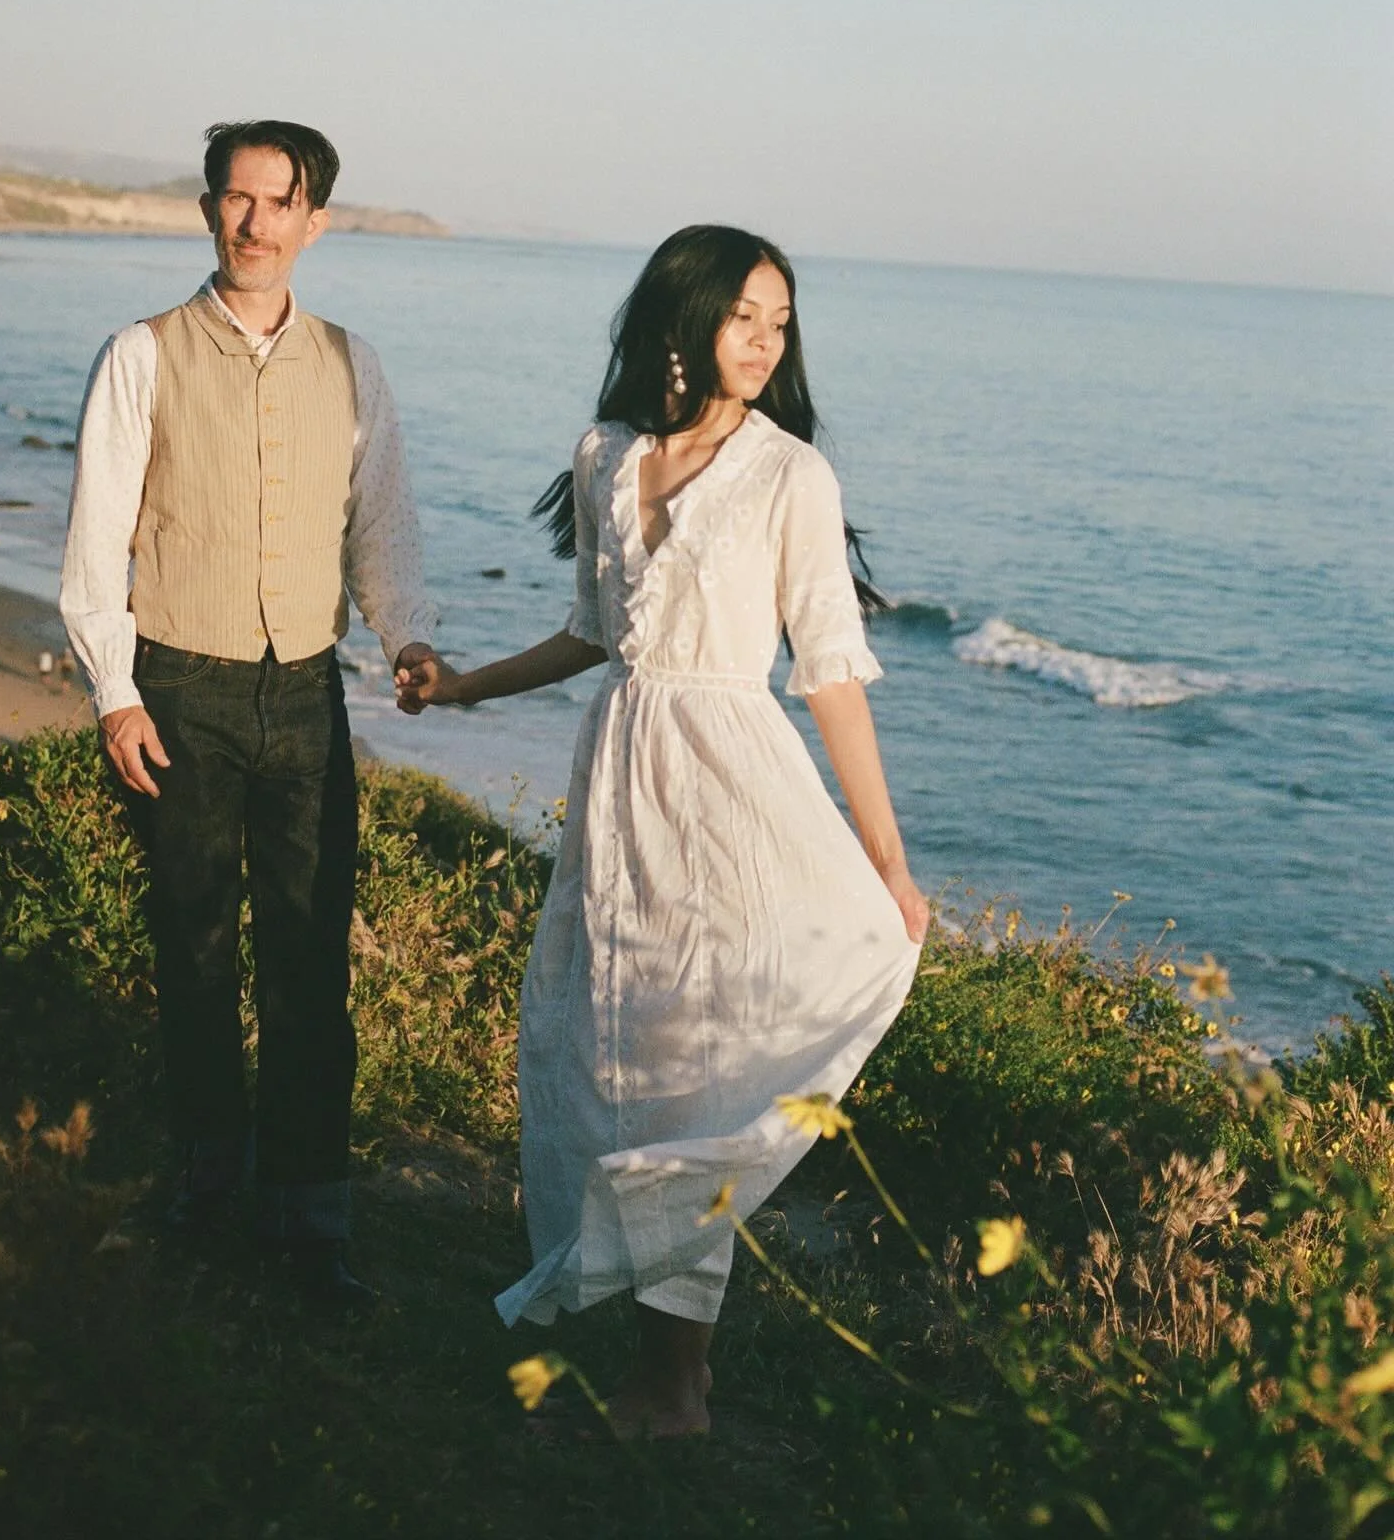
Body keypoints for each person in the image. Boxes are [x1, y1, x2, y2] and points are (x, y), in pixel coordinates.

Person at [403, 225, 927, 1432]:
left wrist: (887, 864)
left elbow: (832, 671)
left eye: (779, 324)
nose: (763, 342)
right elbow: (596, 629)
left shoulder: (792, 475)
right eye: (745, 315)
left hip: (735, 789)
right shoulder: (605, 454)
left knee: (697, 1072)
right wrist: (464, 687)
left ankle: (675, 1378)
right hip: (626, 781)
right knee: (612, 1050)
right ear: (684, 317)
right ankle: (659, 1352)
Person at [61, 119, 442, 1300]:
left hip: (307, 696)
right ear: (208, 207)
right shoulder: (143, 354)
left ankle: (310, 1219)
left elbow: (378, 521)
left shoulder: (351, 362)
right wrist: (116, 696)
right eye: (237, 198)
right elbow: (97, 536)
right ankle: (206, 1185)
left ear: (315, 221)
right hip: (181, 687)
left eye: (281, 204)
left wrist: (407, 638)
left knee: (308, 958)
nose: (256, 223)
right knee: (195, 948)